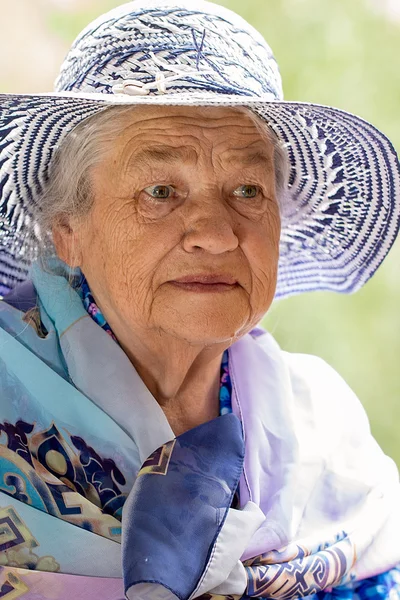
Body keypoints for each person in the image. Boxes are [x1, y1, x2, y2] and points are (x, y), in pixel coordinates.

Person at [0, 0, 399, 598]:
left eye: (247, 189)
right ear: (69, 233)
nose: (215, 233)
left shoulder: (328, 433)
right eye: (160, 191)